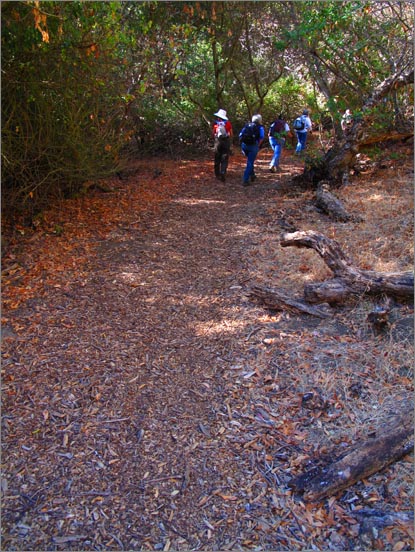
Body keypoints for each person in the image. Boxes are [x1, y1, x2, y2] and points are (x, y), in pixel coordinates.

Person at [239, 114, 264, 186]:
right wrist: (258, 145)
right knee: (250, 162)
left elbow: (240, 135)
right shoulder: (260, 127)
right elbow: (261, 137)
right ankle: (245, 180)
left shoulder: (247, 126)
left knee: (250, 160)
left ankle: (252, 175)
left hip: (244, 145)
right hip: (253, 146)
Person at [212, 109, 233, 182]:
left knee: (217, 157)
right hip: (226, 141)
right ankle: (223, 171)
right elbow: (231, 133)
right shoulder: (228, 123)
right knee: (224, 157)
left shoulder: (216, 124)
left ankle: (217, 174)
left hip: (218, 141)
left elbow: (213, 133)